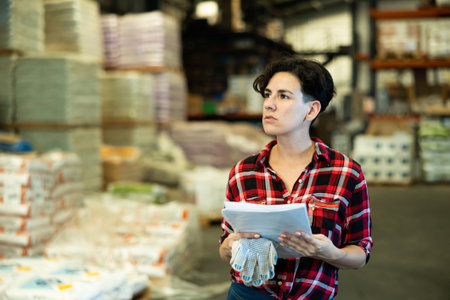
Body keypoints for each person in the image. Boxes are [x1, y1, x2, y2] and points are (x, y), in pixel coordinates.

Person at [219, 55, 373, 299]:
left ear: (311, 109)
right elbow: (225, 245)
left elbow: (360, 253)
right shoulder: (244, 172)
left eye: (283, 96)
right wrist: (229, 247)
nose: (269, 104)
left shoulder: (345, 173)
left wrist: (330, 253)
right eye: (268, 94)